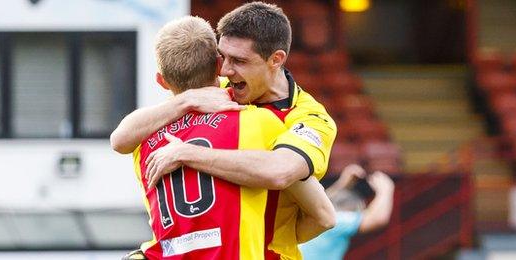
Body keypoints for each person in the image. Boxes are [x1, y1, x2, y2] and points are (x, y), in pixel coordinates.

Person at [111, 2, 338, 258]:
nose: (226, 70)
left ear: (276, 59)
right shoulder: (218, 91)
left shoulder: (309, 117)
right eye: (223, 57)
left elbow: (280, 171)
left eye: (239, 60)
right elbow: (120, 138)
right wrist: (186, 100)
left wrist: (186, 153)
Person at [300, 165, 395, 260]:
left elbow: (322, 205)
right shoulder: (337, 222)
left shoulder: (314, 217)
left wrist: (342, 183)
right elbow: (377, 219)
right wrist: (386, 190)